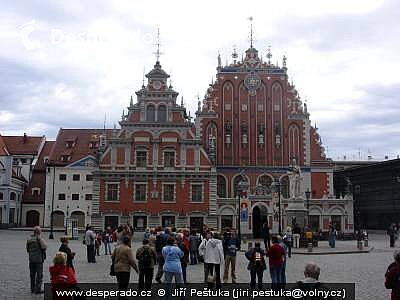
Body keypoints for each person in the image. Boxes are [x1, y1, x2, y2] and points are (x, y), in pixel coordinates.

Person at [26, 226, 47, 294]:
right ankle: (38, 289)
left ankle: (32, 288)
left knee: (32, 274)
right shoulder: (40, 239)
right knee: (39, 274)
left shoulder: (29, 239)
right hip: (39, 259)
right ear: (39, 232)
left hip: (31, 258)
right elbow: (44, 247)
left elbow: (27, 249)